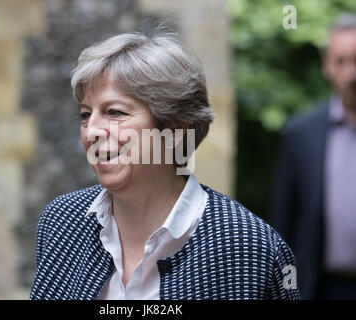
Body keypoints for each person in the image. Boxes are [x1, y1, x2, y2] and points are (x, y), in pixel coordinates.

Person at [30, 27, 300, 300]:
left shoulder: (250, 247)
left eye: (115, 112)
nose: (91, 131)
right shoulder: (62, 222)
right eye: (85, 115)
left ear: (174, 131)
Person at [271, 13, 356, 299]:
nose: (351, 73)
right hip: (319, 288)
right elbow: (284, 220)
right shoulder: (301, 132)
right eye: (341, 61)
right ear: (327, 66)